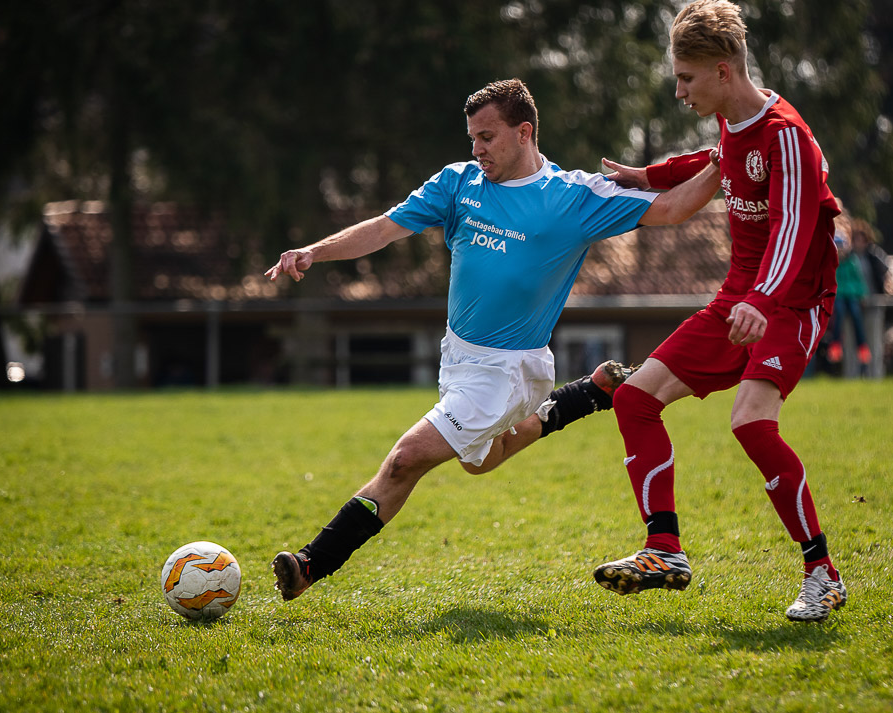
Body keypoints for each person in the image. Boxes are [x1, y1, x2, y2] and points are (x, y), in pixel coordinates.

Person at [265, 78, 720, 601]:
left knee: (406, 458)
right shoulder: (457, 183)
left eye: (487, 137)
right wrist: (314, 251)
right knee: (479, 460)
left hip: (508, 369)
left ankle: (311, 563)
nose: (477, 150)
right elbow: (385, 228)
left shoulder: (573, 197)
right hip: (458, 359)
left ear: (524, 133)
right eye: (472, 139)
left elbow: (673, 208)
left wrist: (721, 161)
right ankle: (586, 395)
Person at [597, 0, 846, 622]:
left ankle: (822, 573)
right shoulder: (734, 126)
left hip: (791, 302)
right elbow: (712, 162)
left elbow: (794, 226)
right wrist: (643, 175)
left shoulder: (787, 135)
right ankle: (664, 550)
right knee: (635, 399)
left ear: (723, 71)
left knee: (751, 424)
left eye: (686, 78)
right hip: (741, 298)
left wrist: (763, 301)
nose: (679, 91)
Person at [826, 233, 868, 373]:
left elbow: (859, 281)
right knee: (839, 313)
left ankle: (862, 348)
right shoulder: (831, 263)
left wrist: (862, 295)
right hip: (838, 297)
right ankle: (835, 346)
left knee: (856, 315)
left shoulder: (852, 261)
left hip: (851, 296)